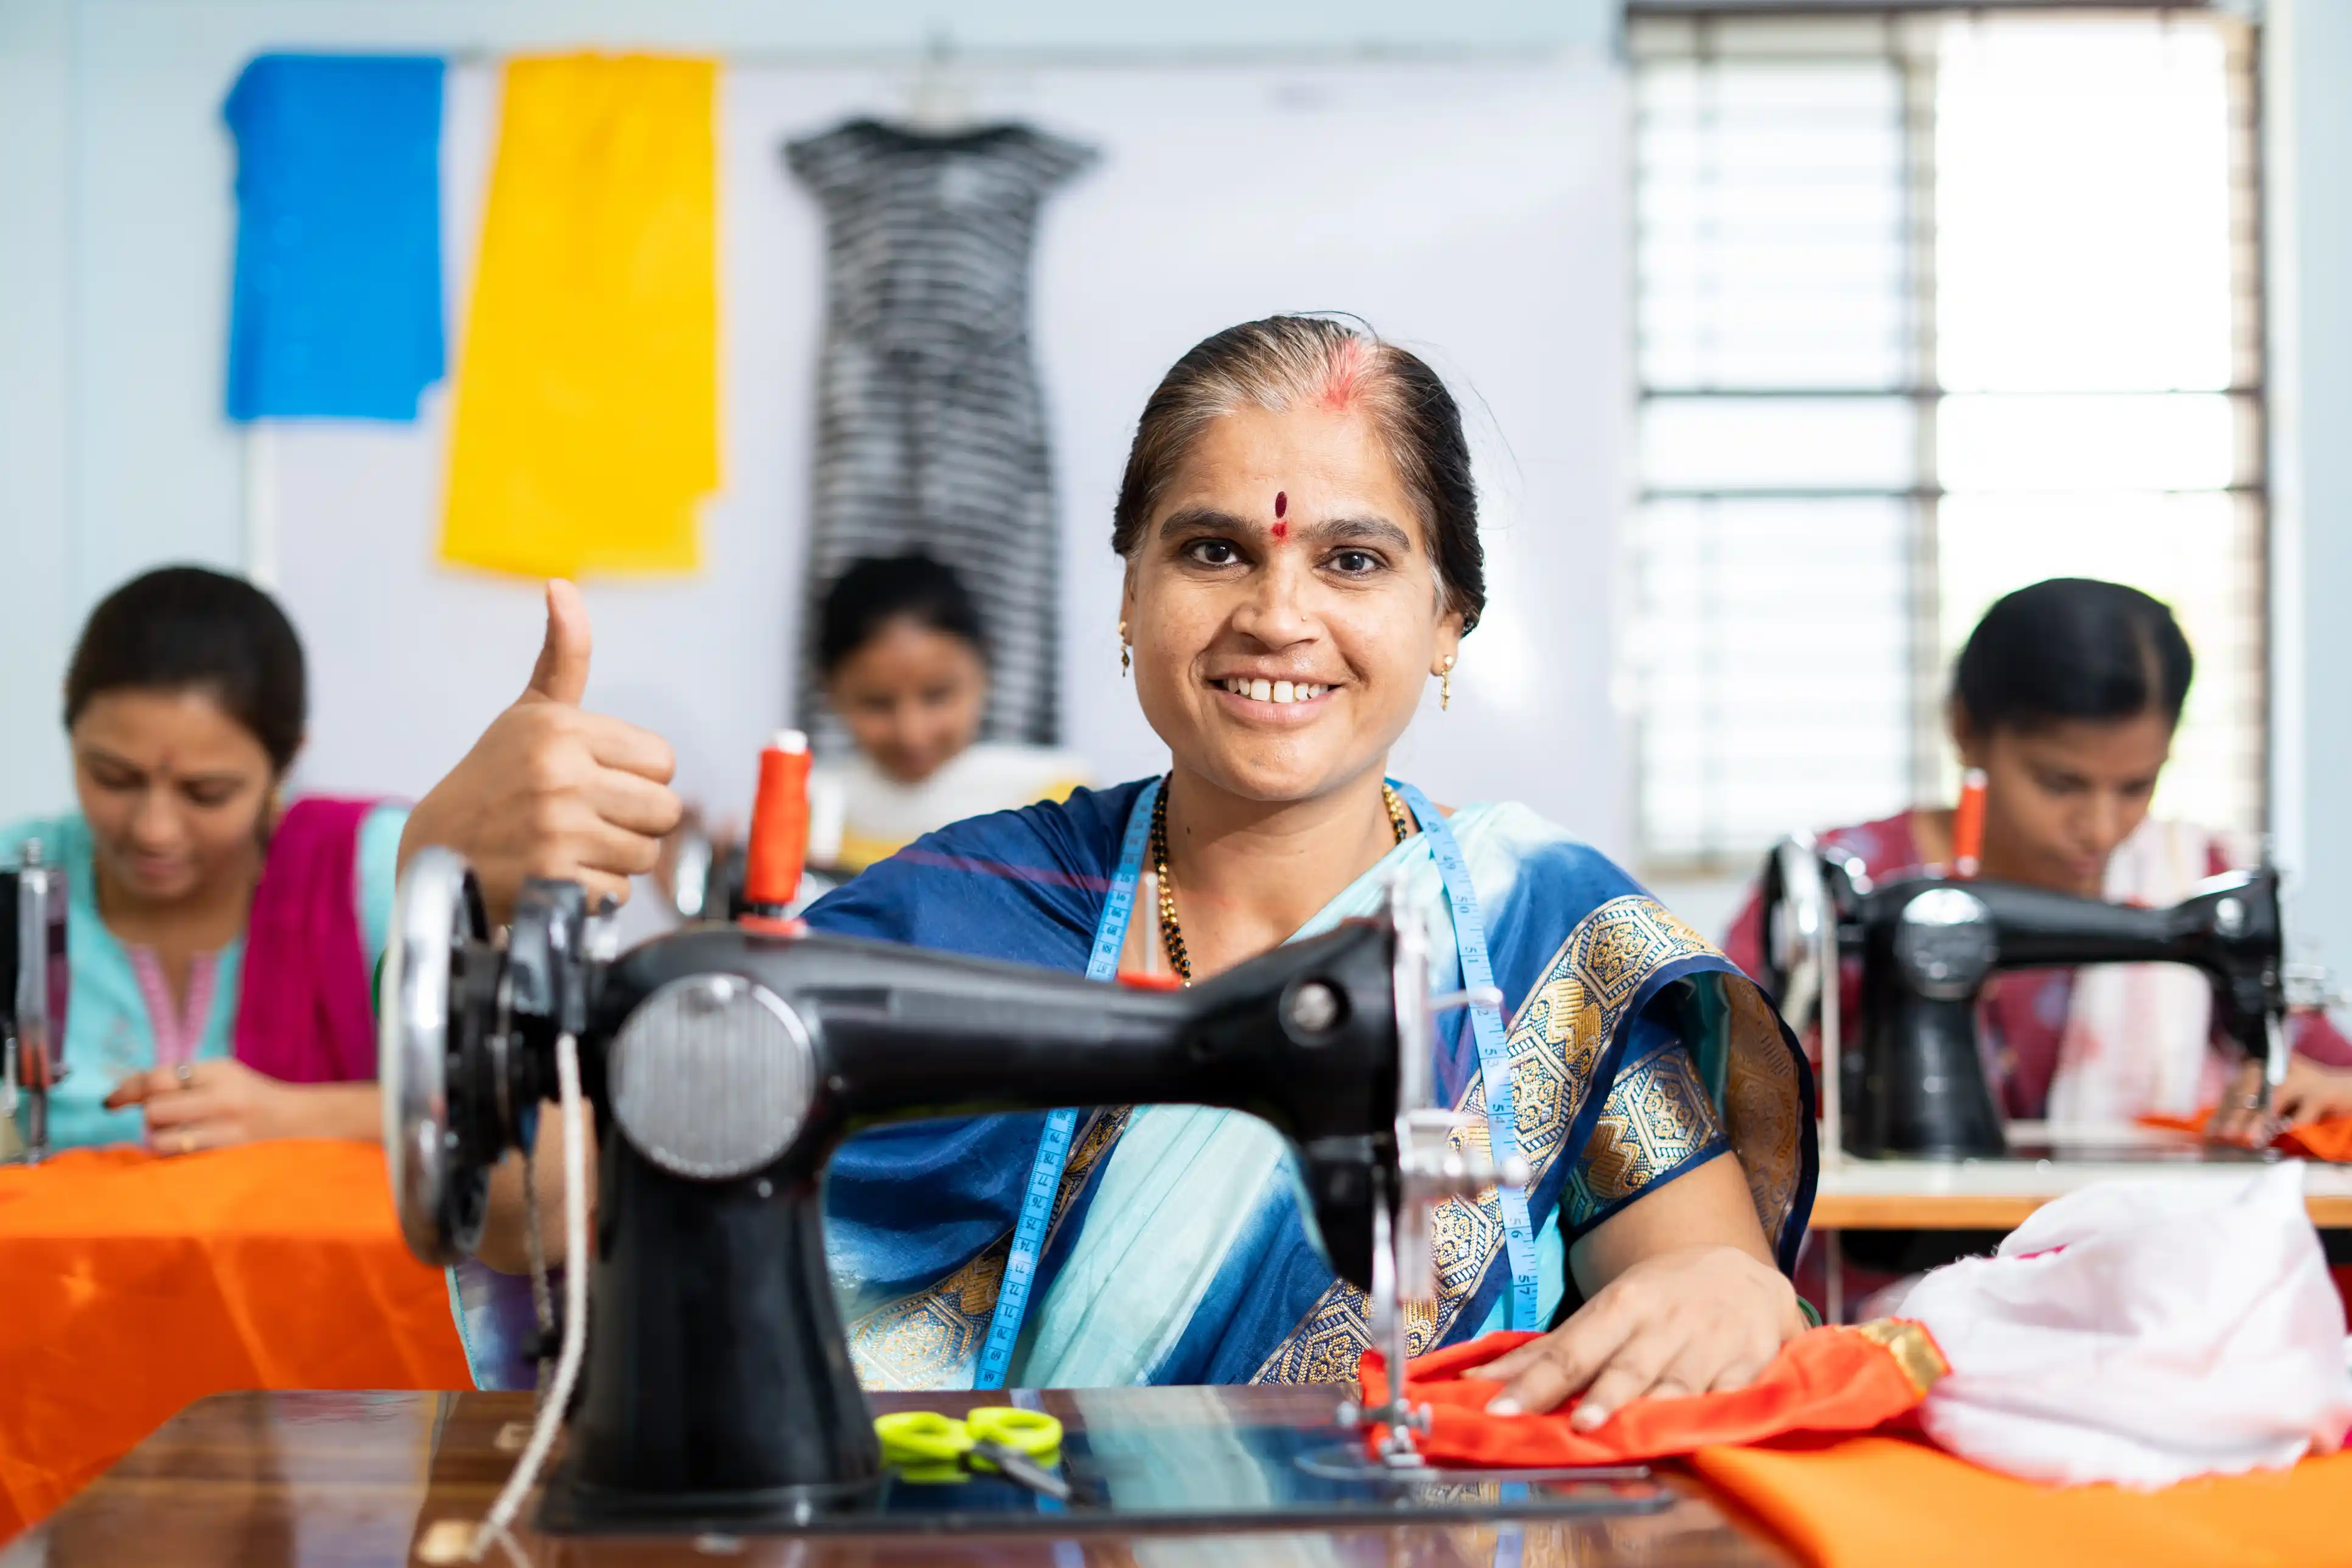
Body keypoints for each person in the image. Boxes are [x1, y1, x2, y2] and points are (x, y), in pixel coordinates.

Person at [402, 317, 1818, 1417]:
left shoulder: (1538, 932)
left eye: (1354, 561)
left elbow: (1713, 1281)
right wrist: (449, 882)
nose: (1278, 614)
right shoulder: (962, 912)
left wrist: (1727, 1294)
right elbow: (544, 1203)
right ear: (1129, 595)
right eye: (1212, 550)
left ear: (1450, 620)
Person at [1725, 576, 2352, 1144]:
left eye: (2136, 786)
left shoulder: (2195, 873)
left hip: (2138, 1255)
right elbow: (1712, 1087)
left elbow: (2327, 1069)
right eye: (2061, 783)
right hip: (1891, 1262)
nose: (2102, 828)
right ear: (1966, 729)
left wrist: (2322, 1091)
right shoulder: (1842, 885)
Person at [0, 567, 399, 1155]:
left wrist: (297, 1117)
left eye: (206, 793)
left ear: (285, 764)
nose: (154, 830)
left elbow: (521, 1121)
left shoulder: (370, 872)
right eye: (113, 778)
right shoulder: (19, 872)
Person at [803, 553, 1087, 873]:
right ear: (829, 691)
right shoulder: (800, 813)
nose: (912, 733)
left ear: (985, 669)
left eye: (937, 695)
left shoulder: (1057, 804)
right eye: (877, 703)